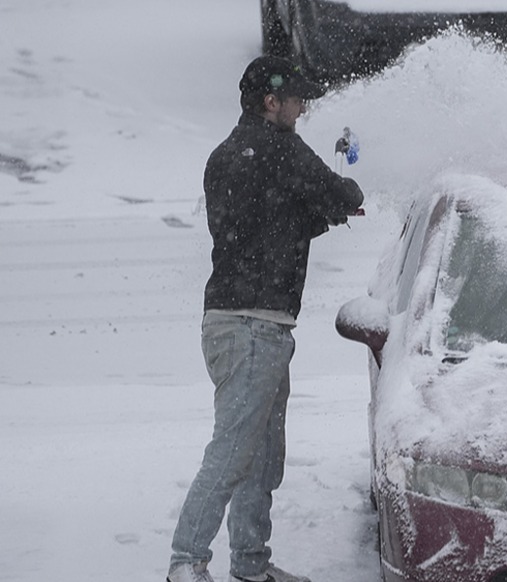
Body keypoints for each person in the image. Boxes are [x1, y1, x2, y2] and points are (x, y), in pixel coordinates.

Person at [167, 56, 364, 582]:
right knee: (234, 451)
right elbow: (338, 193)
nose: (304, 108)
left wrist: (328, 208)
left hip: (246, 322)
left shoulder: (227, 156)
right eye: (297, 99)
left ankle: (251, 566)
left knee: (260, 456)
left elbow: (273, 227)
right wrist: (347, 193)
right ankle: (186, 562)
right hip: (252, 327)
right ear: (270, 101)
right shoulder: (279, 147)